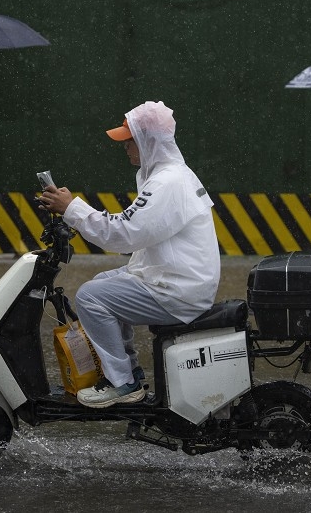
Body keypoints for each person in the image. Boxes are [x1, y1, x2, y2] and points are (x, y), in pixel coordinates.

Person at [39, 101, 220, 408]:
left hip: (179, 290)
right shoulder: (166, 174)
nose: (124, 146)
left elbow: (124, 234)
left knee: (90, 297)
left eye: (129, 139)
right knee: (102, 285)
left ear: (148, 141)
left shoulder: (167, 182)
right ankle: (128, 370)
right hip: (177, 278)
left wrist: (72, 209)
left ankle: (123, 383)